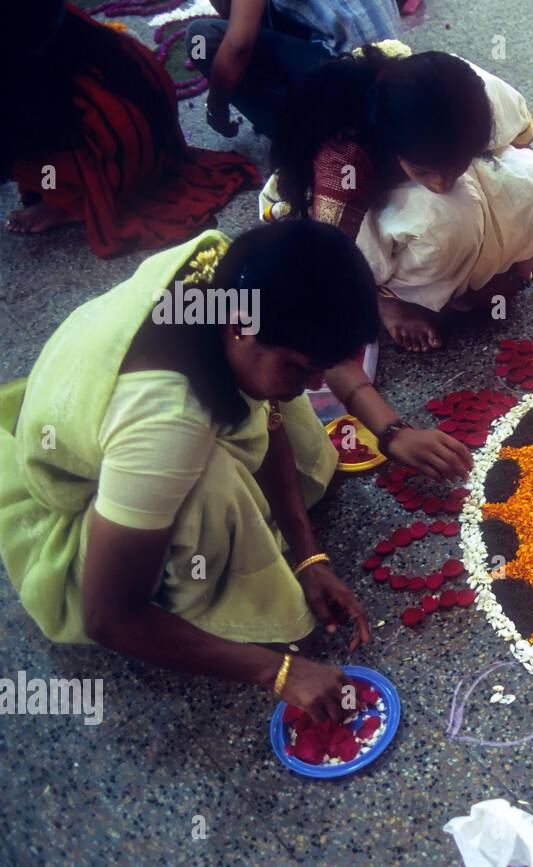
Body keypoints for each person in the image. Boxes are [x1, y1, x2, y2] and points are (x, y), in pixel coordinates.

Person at [0, 222, 382, 723]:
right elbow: (109, 615)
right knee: (211, 481)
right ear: (238, 329)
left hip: (118, 424)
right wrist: (280, 672)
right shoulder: (164, 424)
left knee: (275, 400)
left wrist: (309, 558)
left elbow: (266, 413)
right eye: (301, 368)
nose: (315, 387)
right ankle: (194, 584)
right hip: (74, 518)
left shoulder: (234, 280)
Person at [263, 43, 533, 352]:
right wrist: (377, 301)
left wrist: (520, 255)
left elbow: (523, 153)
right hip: (334, 216)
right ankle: (393, 297)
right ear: (390, 144)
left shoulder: (477, 93)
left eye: (454, 166)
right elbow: (327, 264)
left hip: (417, 170)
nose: (440, 184)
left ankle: (474, 269)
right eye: (424, 171)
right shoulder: (344, 161)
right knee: (448, 214)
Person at [2, 1, 257, 258]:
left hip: (117, 142)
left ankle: (77, 200)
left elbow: (240, 44)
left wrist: (217, 108)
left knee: (21, 141)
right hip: (145, 122)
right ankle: (81, 184)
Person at [187, 0, 402, 142]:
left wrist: (216, 107)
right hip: (396, 66)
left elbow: (239, 45)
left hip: (352, 85)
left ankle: (301, 140)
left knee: (200, 38)